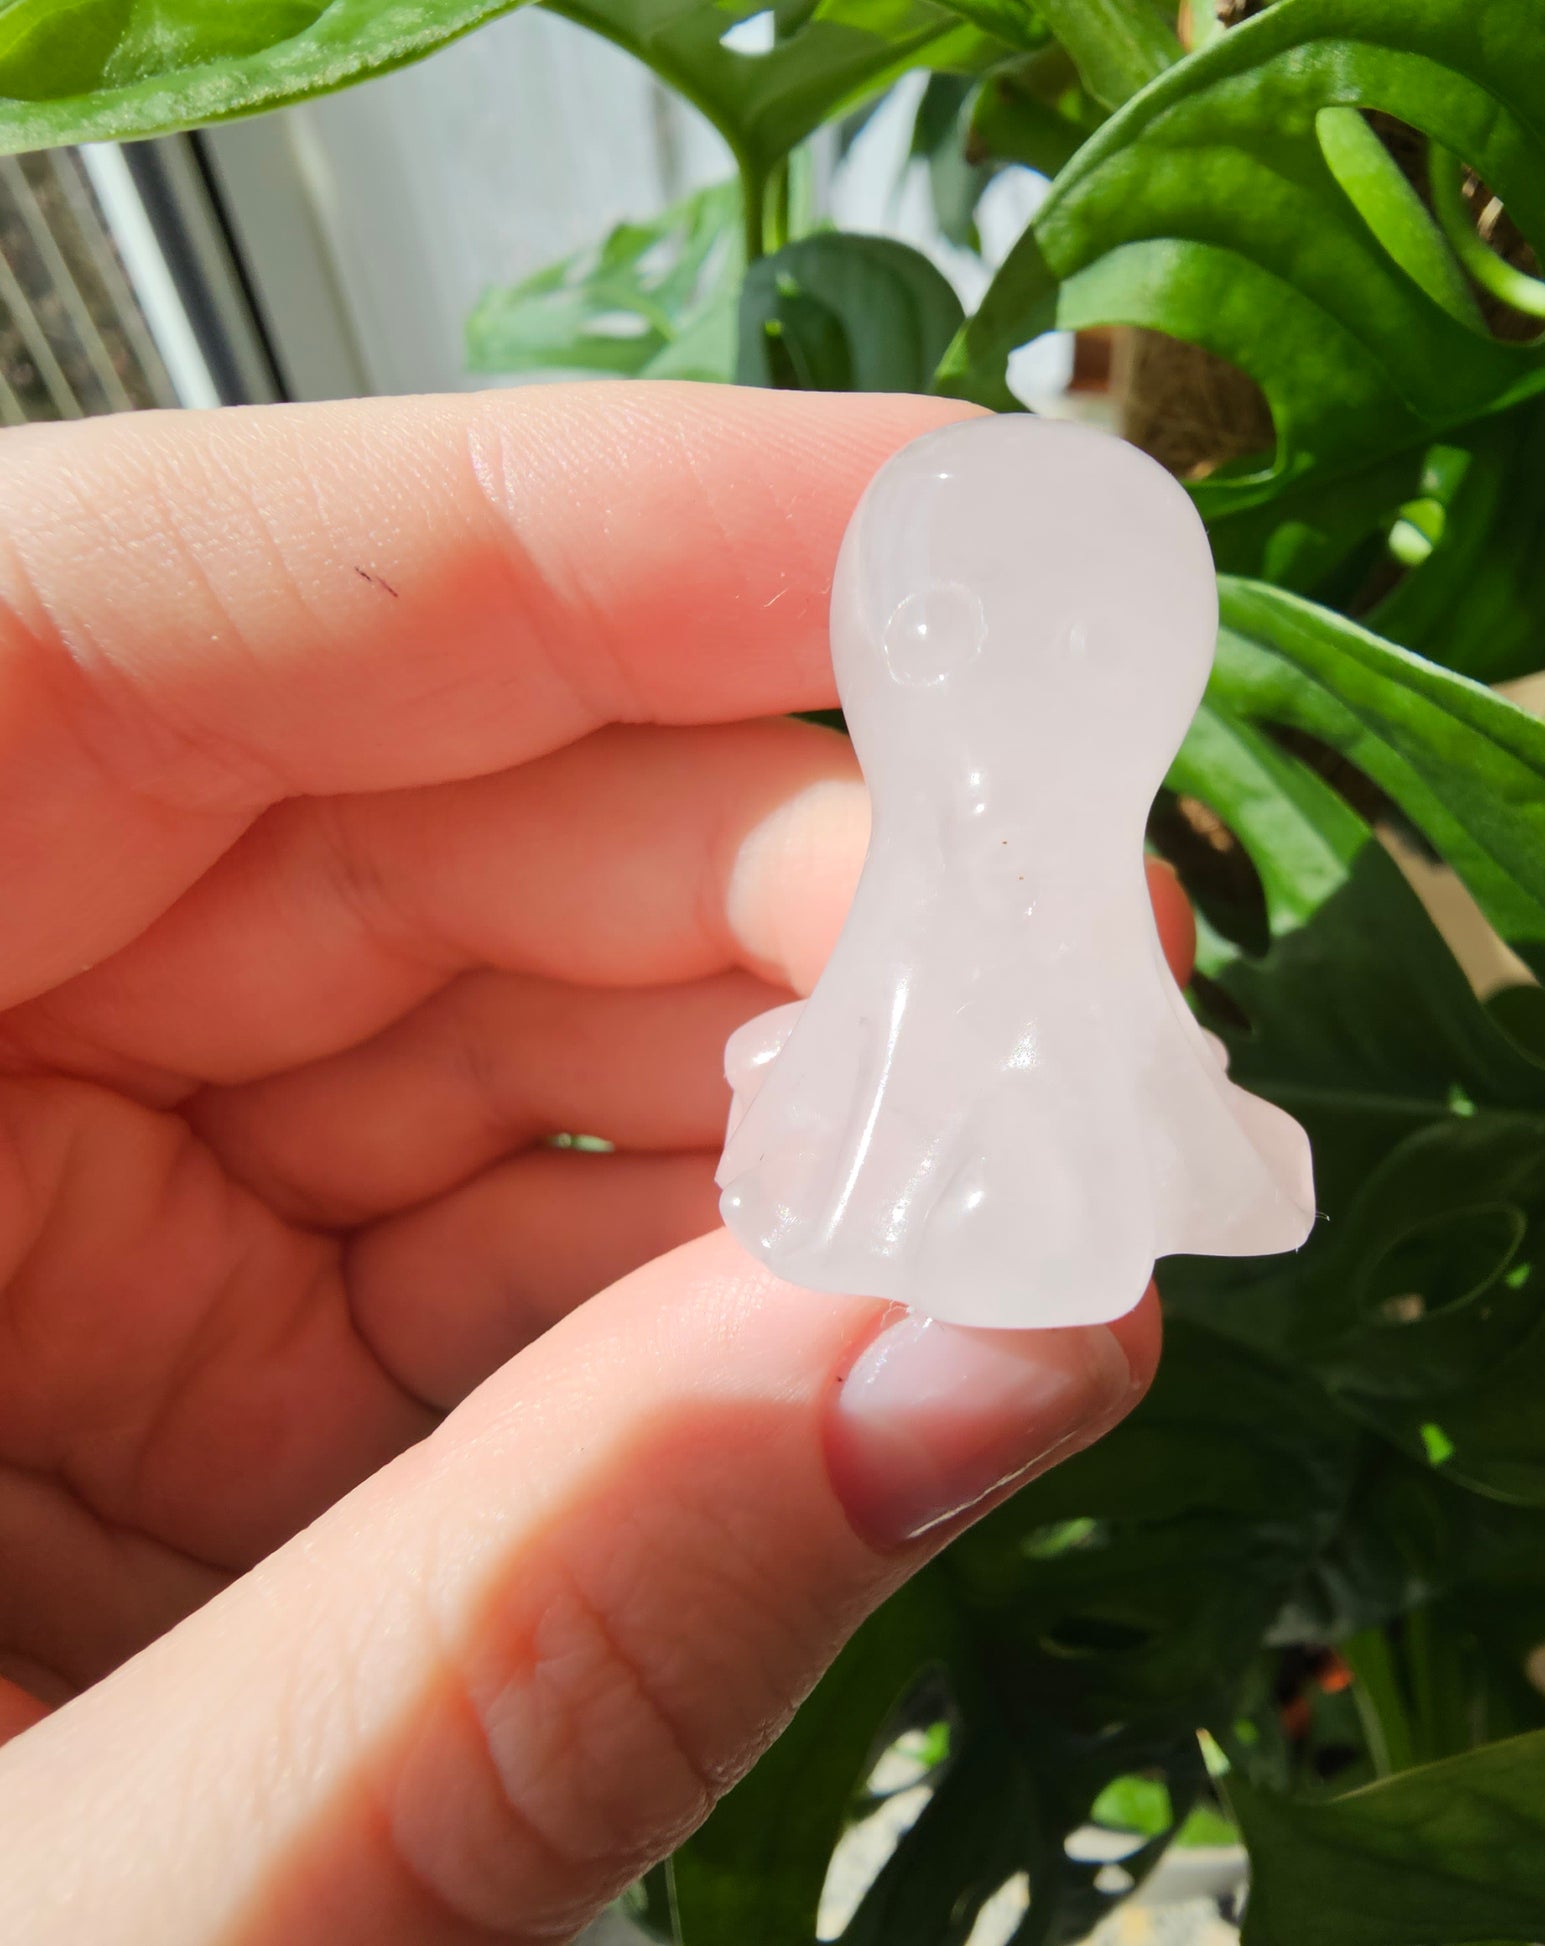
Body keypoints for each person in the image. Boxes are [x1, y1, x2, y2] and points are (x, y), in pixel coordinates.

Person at [0, 386, 1185, 1942]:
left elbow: (1162, 1107)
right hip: (881, 1187)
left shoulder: (1062, 904)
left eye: (1082, 645)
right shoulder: (915, 894)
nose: (1021, 682)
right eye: (955, 632)